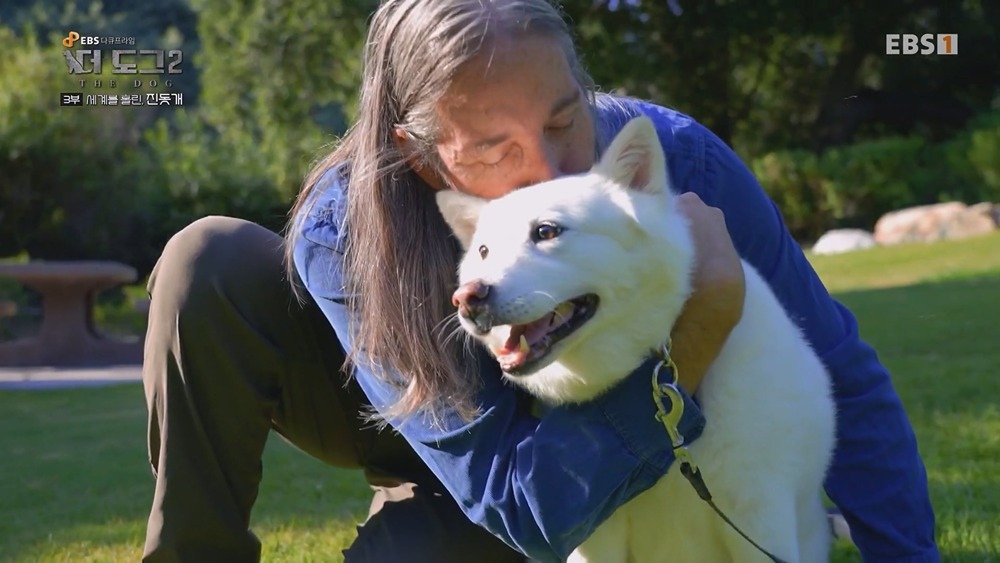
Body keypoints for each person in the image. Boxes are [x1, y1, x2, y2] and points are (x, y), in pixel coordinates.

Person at [140, 0, 940, 561]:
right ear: (419, 154)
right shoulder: (344, 224)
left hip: (573, 446)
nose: (552, 168)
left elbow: (839, 373)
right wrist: (697, 330)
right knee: (207, 257)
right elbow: (516, 500)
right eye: (493, 146)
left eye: (565, 118)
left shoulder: (678, 164)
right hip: (409, 417)